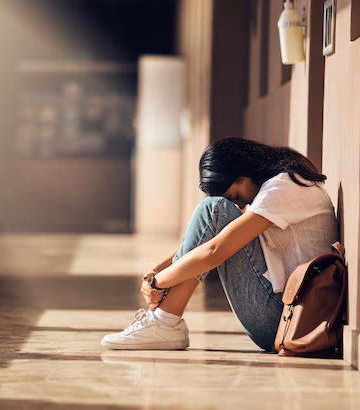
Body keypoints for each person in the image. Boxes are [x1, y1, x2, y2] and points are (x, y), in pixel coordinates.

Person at [101, 137, 338, 351]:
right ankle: (164, 322)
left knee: (214, 209)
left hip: (287, 320)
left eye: (235, 196)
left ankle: (164, 322)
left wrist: (159, 283)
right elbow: (210, 239)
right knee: (214, 210)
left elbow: (214, 250)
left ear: (243, 174)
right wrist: (158, 270)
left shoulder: (284, 187)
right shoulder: (283, 182)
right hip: (285, 317)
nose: (240, 202)